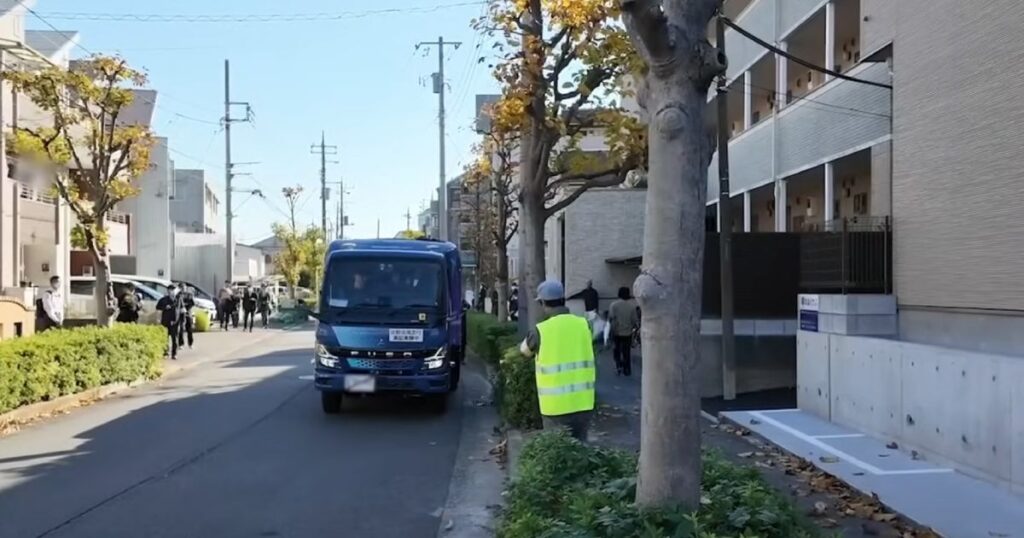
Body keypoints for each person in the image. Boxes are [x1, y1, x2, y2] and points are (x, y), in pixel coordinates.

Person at [520, 280, 596, 441]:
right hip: (584, 404)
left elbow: (525, 351)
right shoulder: (584, 325)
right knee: (580, 451)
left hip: (555, 408)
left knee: (557, 455)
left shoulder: (540, 330)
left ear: (543, 303)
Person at [608, 287, 640, 376]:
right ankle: (627, 369)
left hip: (616, 332)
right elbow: (635, 321)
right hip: (627, 333)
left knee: (616, 350)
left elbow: (611, 318)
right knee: (626, 352)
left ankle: (619, 365)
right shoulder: (632, 307)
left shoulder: (614, 305)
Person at [157, 285, 183, 360]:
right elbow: (158, 307)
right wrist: (165, 307)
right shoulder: (164, 299)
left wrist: (182, 320)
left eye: (173, 290)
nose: (171, 291)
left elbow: (182, 309)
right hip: (166, 321)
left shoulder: (179, 299)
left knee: (175, 339)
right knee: (165, 338)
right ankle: (166, 352)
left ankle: (174, 354)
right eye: (170, 290)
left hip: (175, 322)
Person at [178, 285, 196, 349]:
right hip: (180, 314)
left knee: (189, 329)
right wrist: (180, 309)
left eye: (184, 288)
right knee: (181, 329)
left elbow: (193, 303)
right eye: (181, 288)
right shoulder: (178, 295)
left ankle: (190, 343)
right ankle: (181, 344)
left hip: (188, 314)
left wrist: (187, 308)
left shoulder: (189, 295)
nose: (183, 289)